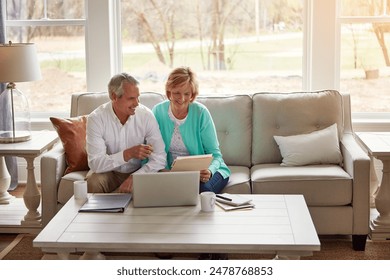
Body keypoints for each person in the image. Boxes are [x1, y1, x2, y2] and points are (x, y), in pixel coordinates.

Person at [152, 66, 230, 194]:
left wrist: (209, 171)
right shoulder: (158, 111)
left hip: (207, 171)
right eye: (177, 92)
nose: (181, 99)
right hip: (172, 173)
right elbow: (151, 150)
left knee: (201, 189)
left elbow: (216, 155)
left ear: (192, 94)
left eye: (187, 94)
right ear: (169, 92)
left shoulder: (201, 113)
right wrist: (163, 172)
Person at [86, 73, 167, 193]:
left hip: (139, 170)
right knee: (93, 181)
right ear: (114, 96)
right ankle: (99, 212)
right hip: (109, 172)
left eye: (137, 97)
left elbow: (159, 158)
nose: (137, 103)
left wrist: (136, 177)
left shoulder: (146, 116)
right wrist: (127, 154)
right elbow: (95, 163)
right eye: (131, 98)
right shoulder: (96, 118)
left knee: (162, 177)